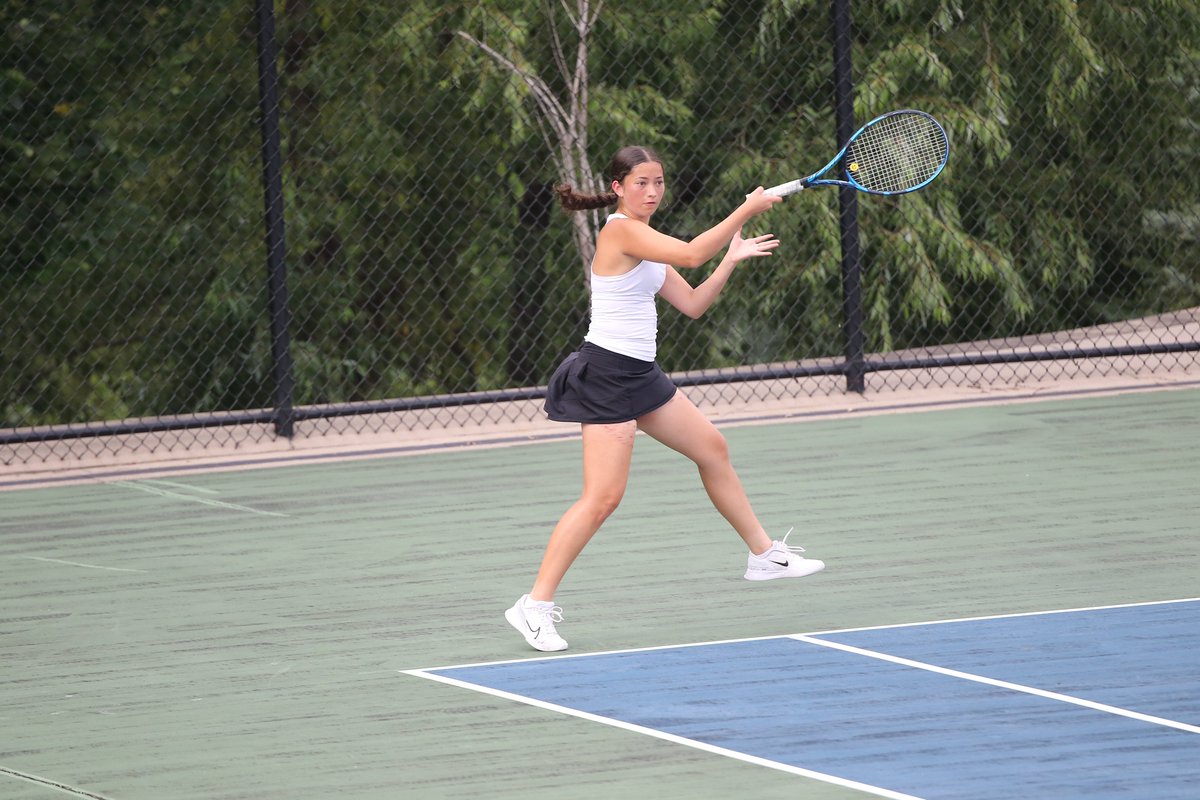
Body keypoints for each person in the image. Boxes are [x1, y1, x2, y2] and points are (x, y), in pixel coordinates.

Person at [505, 146, 824, 653]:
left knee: (712, 448)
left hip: (641, 374)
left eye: (658, 182)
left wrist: (730, 260)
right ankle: (534, 605)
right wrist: (746, 209)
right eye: (641, 183)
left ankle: (764, 556)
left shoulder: (646, 239)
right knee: (602, 498)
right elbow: (693, 252)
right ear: (617, 188)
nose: (652, 191)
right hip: (606, 376)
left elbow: (693, 302)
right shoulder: (620, 232)